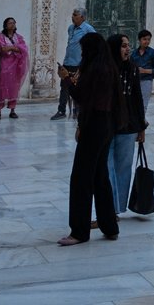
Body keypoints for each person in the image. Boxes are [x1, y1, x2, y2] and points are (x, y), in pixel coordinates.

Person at [60, 32, 124, 245]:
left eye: (83, 50)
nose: (82, 54)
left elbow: (82, 97)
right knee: (100, 176)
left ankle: (79, 231)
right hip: (107, 124)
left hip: (94, 125)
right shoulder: (109, 68)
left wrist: (66, 79)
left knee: (81, 178)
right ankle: (110, 226)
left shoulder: (95, 70)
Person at [108, 34, 149, 216]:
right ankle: (108, 207)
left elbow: (137, 98)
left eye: (127, 45)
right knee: (107, 168)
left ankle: (117, 208)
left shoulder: (132, 69)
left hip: (128, 126)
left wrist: (141, 126)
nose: (127, 49)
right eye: (123, 46)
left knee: (123, 167)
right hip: (107, 125)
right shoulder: (105, 70)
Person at [52, 8, 95, 121]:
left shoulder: (88, 29)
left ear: (82, 17)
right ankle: (61, 110)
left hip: (79, 64)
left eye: (75, 15)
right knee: (64, 87)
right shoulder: (71, 28)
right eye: (72, 14)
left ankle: (78, 110)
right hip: (67, 62)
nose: (72, 17)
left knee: (78, 87)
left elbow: (95, 43)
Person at [0, 17, 30, 119]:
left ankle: (12, 110)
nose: (12, 25)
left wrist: (10, 47)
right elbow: (2, 49)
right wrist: (15, 48)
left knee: (14, 87)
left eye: (14, 23)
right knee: (1, 86)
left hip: (16, 65)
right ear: (5, 25)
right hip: (4, 64)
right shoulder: (1, 36)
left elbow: (24, 49)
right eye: (10, 23)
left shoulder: (18, 37)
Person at [132, 30, 154, 110]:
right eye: (144, 39)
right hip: (135, 80)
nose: (147, 41)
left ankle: (142, 117)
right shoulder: (134, 53)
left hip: (146, 81)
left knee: (143, 104)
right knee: (134, 103)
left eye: (148, 39)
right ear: (139, 40)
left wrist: (144, 71)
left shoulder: (153, 53)